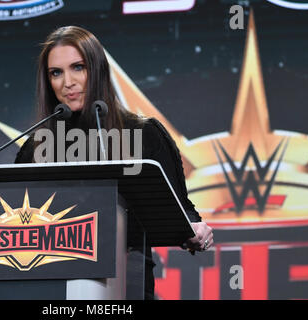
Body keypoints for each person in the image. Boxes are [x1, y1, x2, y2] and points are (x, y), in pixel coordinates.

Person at [14, 26, 213, 299]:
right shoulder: (37, 145)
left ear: (97, 71)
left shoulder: (143, 133)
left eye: (78, 68)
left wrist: (194, 229)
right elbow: (15, 216)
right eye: (56, 73)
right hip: (50, 279)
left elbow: (180, 209)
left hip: (126, 278)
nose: (67, 82)